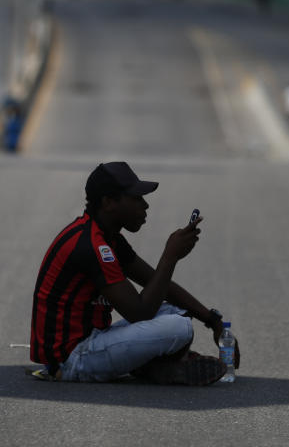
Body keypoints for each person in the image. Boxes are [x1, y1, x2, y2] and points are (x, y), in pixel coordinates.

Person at [30, 161, 240, 385]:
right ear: (109, 202)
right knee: (179, 327)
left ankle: (152, 367)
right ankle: (152, 366)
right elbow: (139, 312)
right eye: (136, 198)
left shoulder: (106, 236)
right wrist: (170, 257)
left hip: (92, 342)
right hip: (71, 359)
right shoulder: (91, 245)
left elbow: (156, 283)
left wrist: (212, 320)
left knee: (178, 311)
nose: (145, 205)